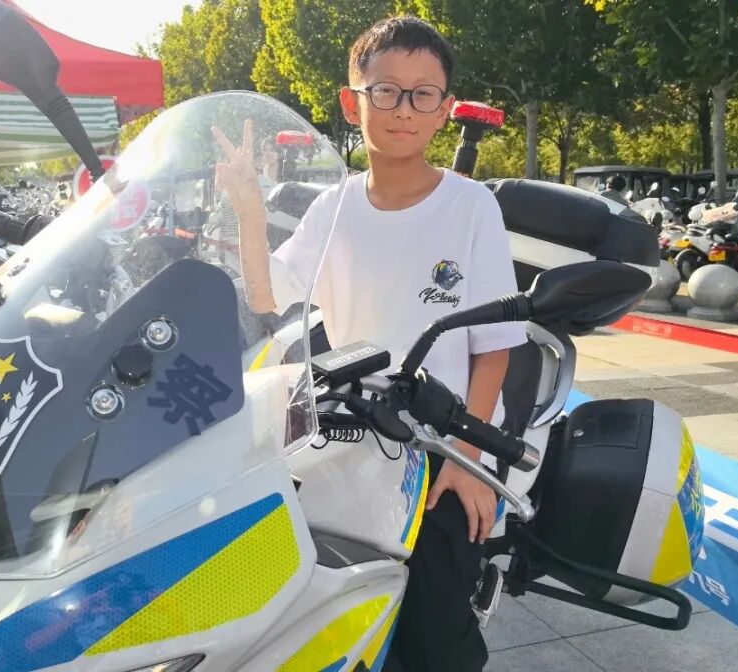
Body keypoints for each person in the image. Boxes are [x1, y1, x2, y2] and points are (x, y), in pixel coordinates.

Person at [214, 16, 524, 671]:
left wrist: (468, 461)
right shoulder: (334, 208)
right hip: (352, 436)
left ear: (444, 109)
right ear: (352, 101)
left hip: (444, 443)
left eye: (422, 94)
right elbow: (268, 297)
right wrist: (248, 210)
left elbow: (494, 346)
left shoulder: (472, 206)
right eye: (385, 91)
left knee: (435, 636)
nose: (403, 109)